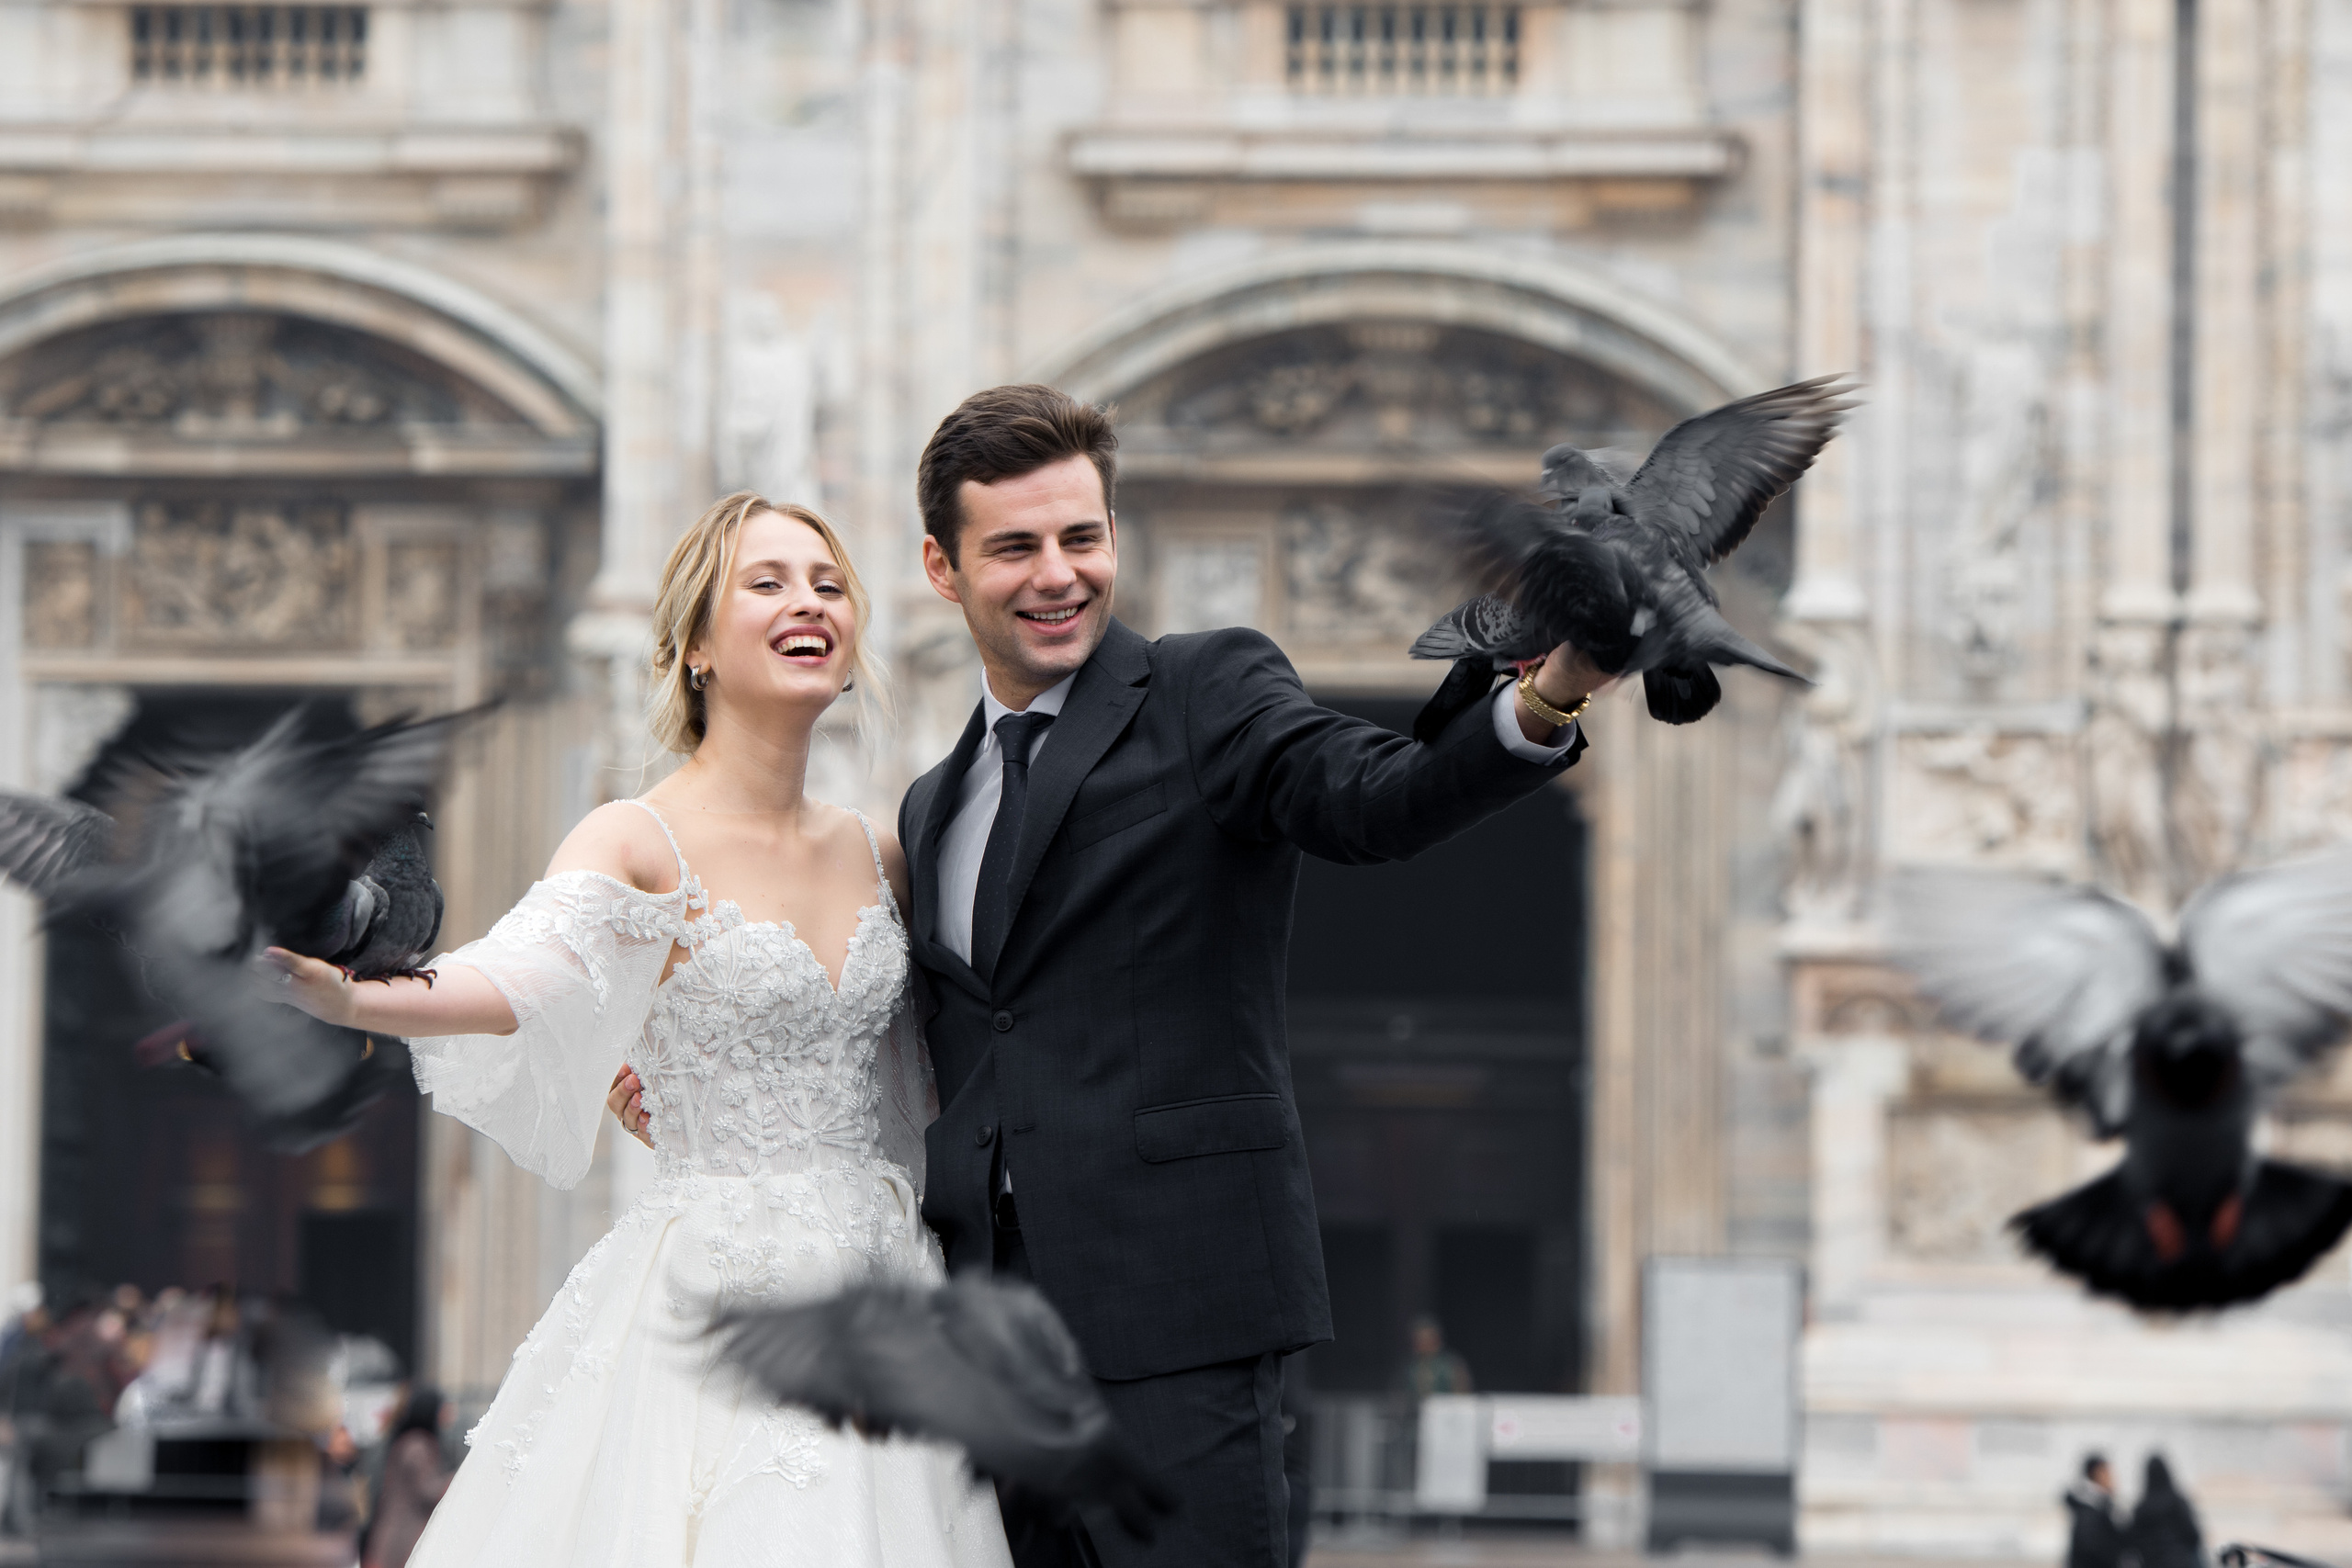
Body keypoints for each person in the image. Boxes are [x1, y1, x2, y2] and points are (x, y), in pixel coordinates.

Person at [645, 383, 1593, 1568]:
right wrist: (677, 1071)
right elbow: (924, 1043)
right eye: (1017, 547)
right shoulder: (933, 808)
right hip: (991, 1353)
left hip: (1181, 1314)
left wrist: (1545, 697)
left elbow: (1373, 799)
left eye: (1082, 538)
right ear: (943, 570)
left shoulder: (1207, 691)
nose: (1059, 574)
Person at [270, 493, 1007, 1567]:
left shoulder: (882, 847)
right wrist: (350, 1001)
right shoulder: (638, 834)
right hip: (718, 1293)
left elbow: (925, 1079)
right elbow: (519, 972)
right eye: (768, 583)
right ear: (695, 645)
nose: (809, 603)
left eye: (829, 584)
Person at [363, 1388, 453, 1568]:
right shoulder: (417, 1445)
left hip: (394, 1533)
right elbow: (428, 1490)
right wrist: (457, 1479)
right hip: (403, 1536)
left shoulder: (411, 1441)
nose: (450, 1413)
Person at [2128, 1453, 2203, 1568]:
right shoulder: (2177, 1502)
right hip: (2180, 1562)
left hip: (2152, 1563)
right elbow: (2194, 1535)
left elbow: (2133, 1540)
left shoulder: (2141, 1508)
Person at [2063, 1453, 2125, 1568]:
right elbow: (2094, 1551)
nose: (2113, 1478)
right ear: (2098, 1473)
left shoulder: (2102, 1506)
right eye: (2108, 1473)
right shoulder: (2090, 1509)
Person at [1399, 1318, 1474, 1400]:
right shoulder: (1409, 1367)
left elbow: (1463, 1394)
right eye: (1419, 1339)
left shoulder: (1452, 1364)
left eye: (1427, 1338)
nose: (1423, 1344)